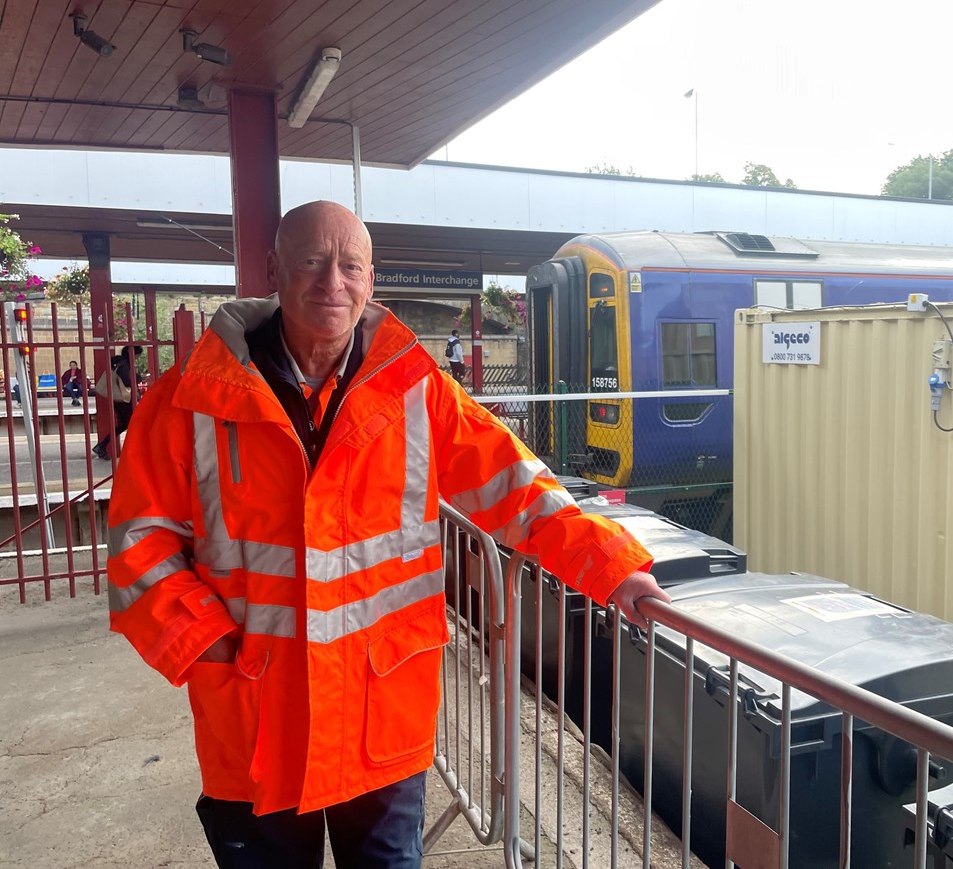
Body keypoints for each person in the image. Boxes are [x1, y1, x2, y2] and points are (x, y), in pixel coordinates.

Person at [105, 201, 669, 869]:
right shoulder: (187, 401)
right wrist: (209, 649)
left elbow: (518, 486)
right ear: (273, 270)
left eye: (350, 266)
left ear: (371, 280)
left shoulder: (417, 392)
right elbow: (138, 543)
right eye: (313, 261)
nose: (331, 283)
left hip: (380, 723)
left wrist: (613, 568)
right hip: (255, 720)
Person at [92, 345, 142, 460]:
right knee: (132, 423)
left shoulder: (118, 362)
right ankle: (133, 450)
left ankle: (102, 445)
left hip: (119, 399)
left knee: (125, 424)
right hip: (124, 400)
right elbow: (126, 380)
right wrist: (139, 378)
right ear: (133, 354)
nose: (137, 358)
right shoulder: (124, 364)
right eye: (137, 355)